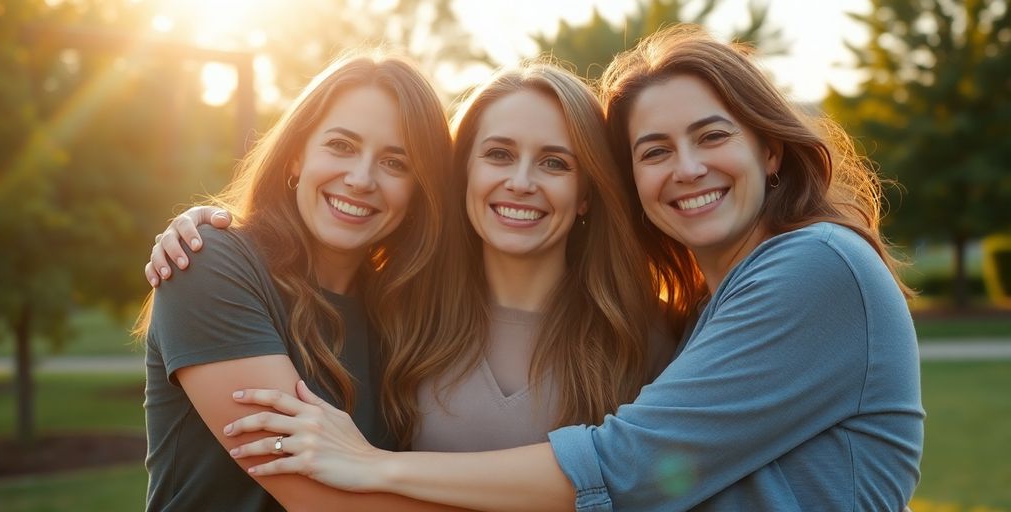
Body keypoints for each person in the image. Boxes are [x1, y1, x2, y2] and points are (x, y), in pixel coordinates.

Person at [216, 24, 925, 511]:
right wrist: (217, 229)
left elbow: (631, 464)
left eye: (711, 136)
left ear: (770, 151)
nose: (686, 168)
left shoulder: (811, 268)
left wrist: (377, 466)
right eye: (653, 151)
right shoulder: (402, 304)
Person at [146, 62, 672, 453]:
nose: (520, 182)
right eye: (498, 154)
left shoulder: (639, 340)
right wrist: (206, 231)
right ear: (461, 173)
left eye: (555, 162)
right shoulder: (408, 314)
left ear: (587, 193)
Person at [135, 50, 464, 511]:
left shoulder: (404, 310)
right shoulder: (209, 265)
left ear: (419, 189)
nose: (361, 178)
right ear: (295, 156)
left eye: (395, 163)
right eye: (341, 146)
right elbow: (323, 500)